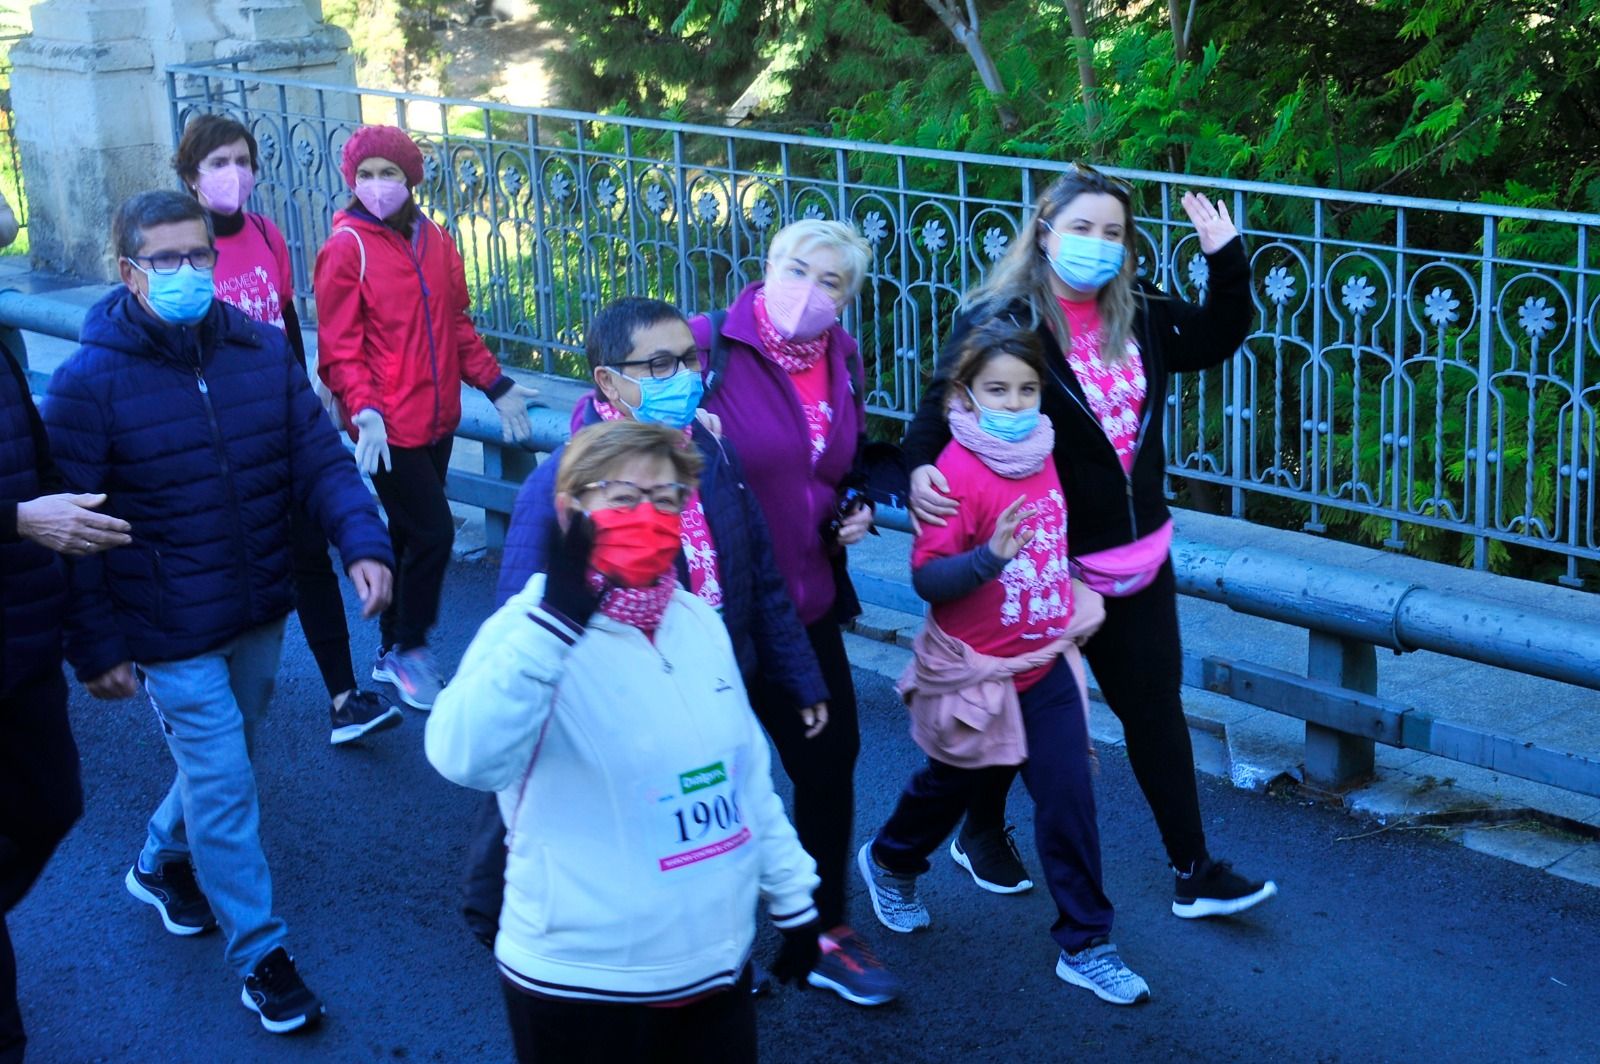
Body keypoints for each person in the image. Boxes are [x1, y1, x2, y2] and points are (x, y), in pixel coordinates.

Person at [42, 190, 395, 1034]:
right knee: (229, 785)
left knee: (220, 762)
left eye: (198, 255)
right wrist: (95, 647)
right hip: (164, 625)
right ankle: (262, 958)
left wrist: (363, 542)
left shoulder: (262, 353)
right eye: (165, 260)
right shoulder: (88, 384)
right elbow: (69, 527)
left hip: (257, 604)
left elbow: (320, 459)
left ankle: (161, 860)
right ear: (129, 273)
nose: (189, 272)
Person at [903, 164, 1278, 918]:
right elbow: (940, 408)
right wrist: (915, 471)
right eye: (1081, 228)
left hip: (1137, 557)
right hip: (1042, 563)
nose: (1097, 245)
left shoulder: (1138, 315)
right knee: (1019, 713)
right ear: (1045, 234)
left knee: (1154, 710)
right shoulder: (1006, 319)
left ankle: (1195, 870)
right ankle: (976, 829)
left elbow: (1219, 334)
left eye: (1113, 233)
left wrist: (1227, 258)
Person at [426, 420, 822, 1064]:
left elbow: (744, 778)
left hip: (713, 971)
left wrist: (795, 896)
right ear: (570, 510)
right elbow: (462, 756)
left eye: (666, 501)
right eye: (622, 497)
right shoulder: (525, 629)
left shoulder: (697, 622)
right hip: (581, 988)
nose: (648, 516)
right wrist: (555, 627)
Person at [460, 297, 829, 959]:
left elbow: (762, 576)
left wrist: (799, 677)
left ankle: (707, 944)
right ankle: (508, 905)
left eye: (689, 360)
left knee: (716, 804)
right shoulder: (563, 487)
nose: (683, 376)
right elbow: (519, 636)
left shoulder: (710, 454)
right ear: (609, 382)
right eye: (658, 364)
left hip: (707, 679)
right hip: (607, 710)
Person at [857, 319, 1151, 1005]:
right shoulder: (951, 475)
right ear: (965, 392)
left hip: (1044, 663)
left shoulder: (1047, 451)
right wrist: (991, 556)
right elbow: (928, 581)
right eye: (998, 390)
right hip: (976, 674)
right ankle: (890, 859)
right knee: (950, 787)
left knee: (1069, 795)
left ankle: (1086, 942)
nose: (1015, 404)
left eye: (1026, 390)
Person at [688, 218, 897, 1006]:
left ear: (848, 299)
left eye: (832, 281)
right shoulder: (706, 346)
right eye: (797, 269)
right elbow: (604, 431)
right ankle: (705, 941)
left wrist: (850, 507)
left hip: (802, 599)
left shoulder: (840, 355)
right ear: (767, 267)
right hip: (707, 608)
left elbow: (834, 462)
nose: (810, 291)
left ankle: (819, 934)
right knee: (711, 771)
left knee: (828, 757)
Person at [174, 113, 401, 745]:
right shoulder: (180, 252)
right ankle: (203, 706)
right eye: (219, 162)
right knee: (226, 566)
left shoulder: (269, 234)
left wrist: (309, 394)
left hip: (279, 417)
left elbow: (284, 319)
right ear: (191, 175)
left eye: (243, 160)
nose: (234, 174)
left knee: (308, 555)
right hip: (215, 433)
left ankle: (343, 697)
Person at [313, 124, 538, 710]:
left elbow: (456, 327)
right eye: (365, 175)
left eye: (389, 174)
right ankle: (409, 647)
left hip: (436, 419)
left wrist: (497, 383)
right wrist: (363, 411)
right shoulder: (346, 248)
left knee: (410, 532)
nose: (376, 185)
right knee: (435, 532)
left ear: (410, 180)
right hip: (384, 429)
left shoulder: (434, 239)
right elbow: (340, 348)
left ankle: (390, 651)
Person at [1, 344, 130, 1063]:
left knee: (55, 805)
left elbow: (47, 477)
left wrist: (93, 635)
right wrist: (20, 519)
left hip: (26, 638)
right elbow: (32, 508)